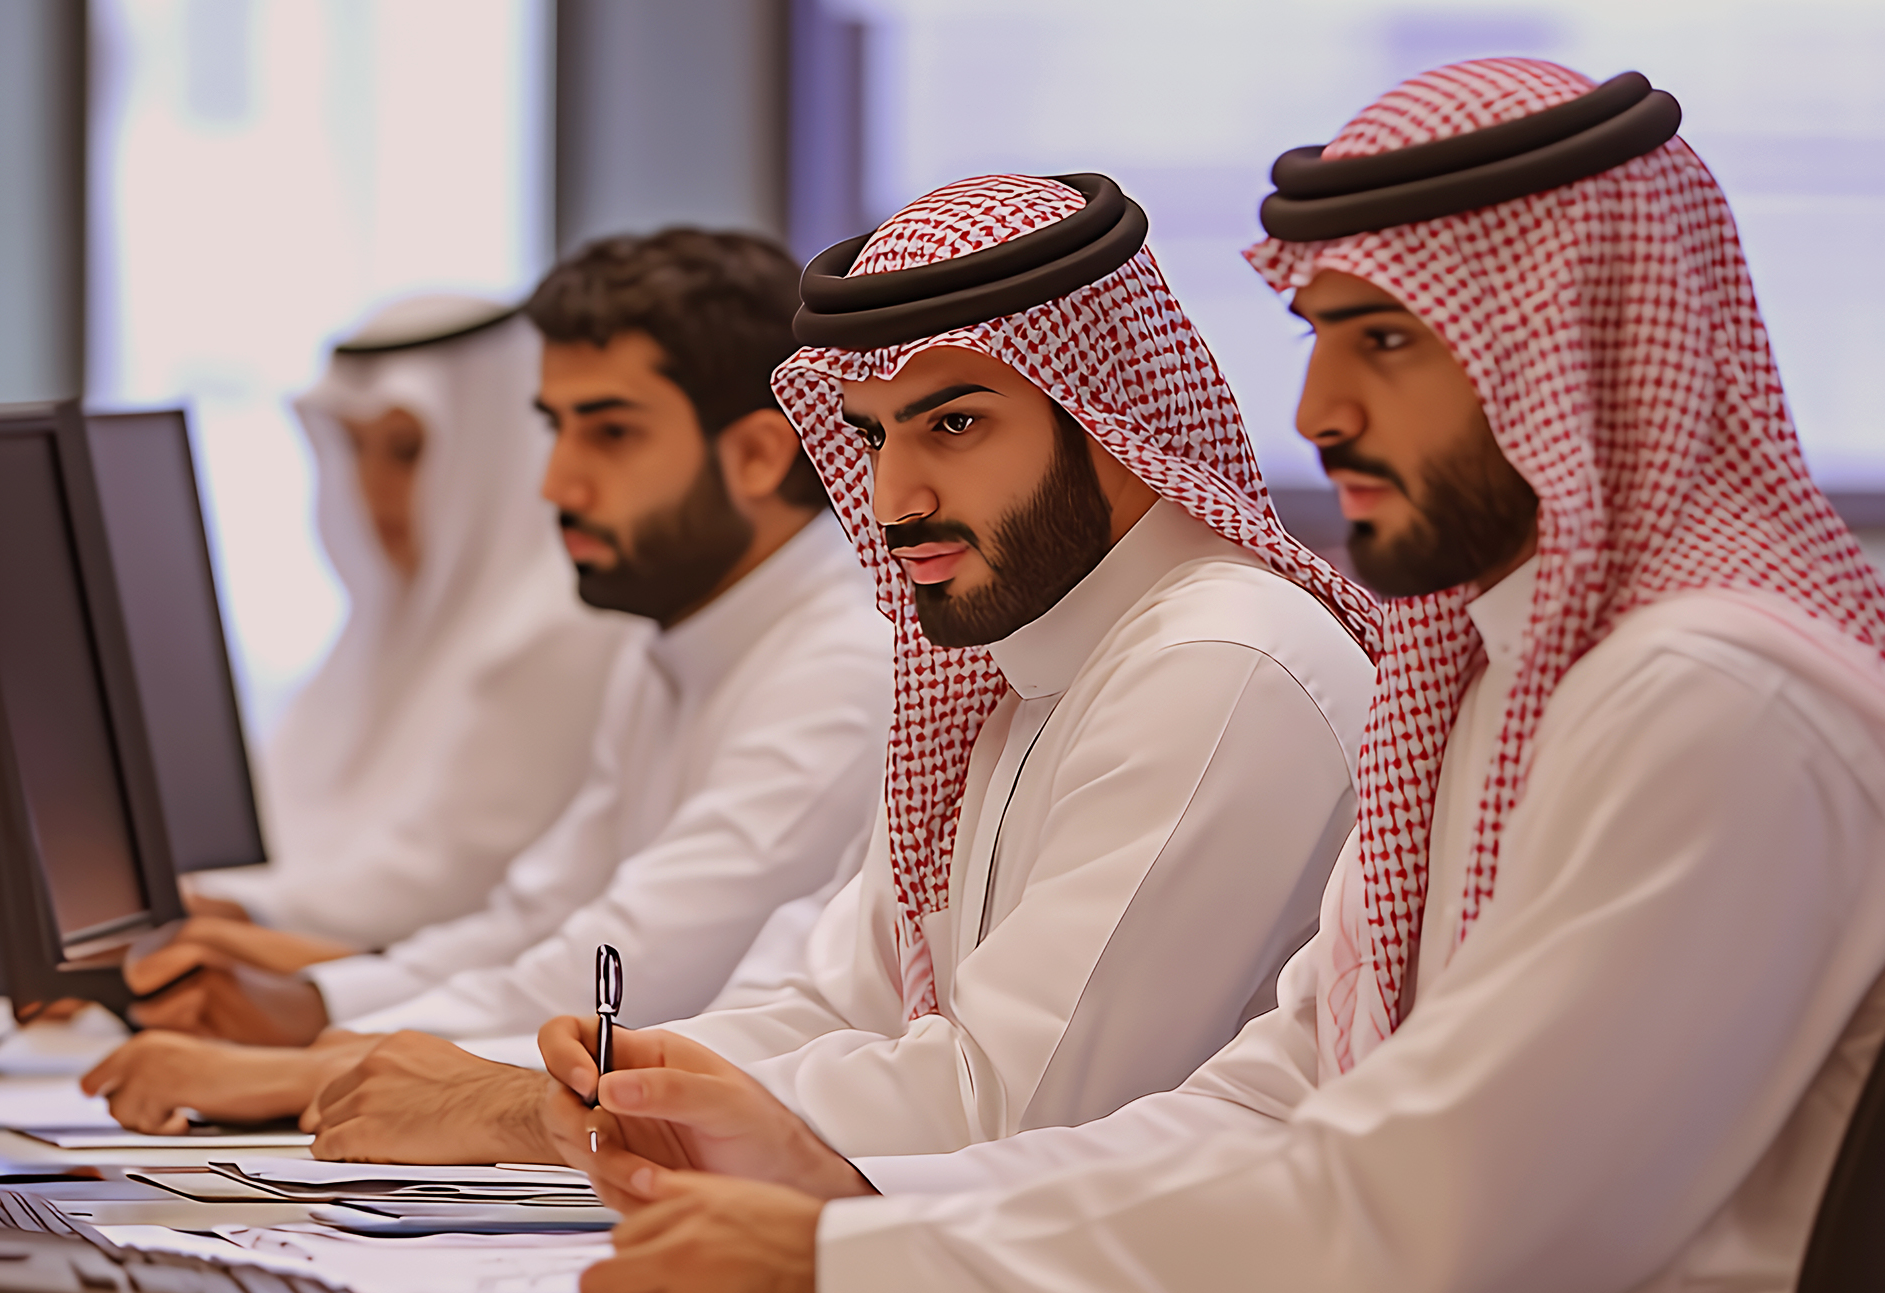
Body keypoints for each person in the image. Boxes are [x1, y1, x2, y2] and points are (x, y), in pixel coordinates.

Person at [560, 62, 1885, 1293]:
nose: (1316, 411)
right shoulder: (1495, 678)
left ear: (1577, 340)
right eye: (1316, 337)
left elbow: (1422, 1210)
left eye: (1387, 340)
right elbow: (1272, 1103)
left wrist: (845, 1266)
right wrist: (848, 1192)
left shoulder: (1714, 701)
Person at [489, 170, 1378, 1178]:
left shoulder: (1219, 661)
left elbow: (1000, 1103)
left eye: (952, 424)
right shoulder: (1015, 661)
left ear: (1106, 418)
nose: (892, 500)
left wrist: (538, 1116)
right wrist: (593, 1078)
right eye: (872, 435)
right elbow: (841, 1003)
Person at [84, 230, 895, 1132]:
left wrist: (304, 1062)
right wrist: (310, 1007)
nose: (558, 483)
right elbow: (533, 920)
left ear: (759, 455)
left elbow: (620, 976)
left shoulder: (843, 665)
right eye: (555, 427)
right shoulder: (675, 641)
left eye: (612, 432)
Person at [186, 295, 636, 951]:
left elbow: (441, 883)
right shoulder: (384, 620)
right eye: (354, 447)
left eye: (407, 450)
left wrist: (217, 913)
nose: (373, 486)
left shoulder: (563, 619)